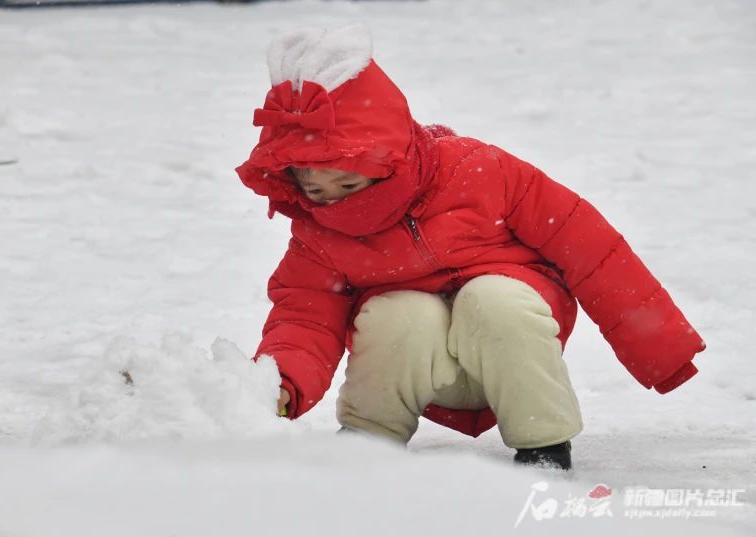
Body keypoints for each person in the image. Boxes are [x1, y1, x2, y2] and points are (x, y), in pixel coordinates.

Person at [235, 25, 705, 470]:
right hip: (417, 363)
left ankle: (543, 444)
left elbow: (591, 250)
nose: (335, 202)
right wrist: (282, 383)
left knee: (493, 299)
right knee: (398, 314)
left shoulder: (479, 172)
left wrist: (659, 347)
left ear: (388, 158)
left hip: (515, 344)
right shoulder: (319, 234)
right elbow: (304, 317)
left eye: (347, 184)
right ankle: (367, 445)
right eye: (316, 192)